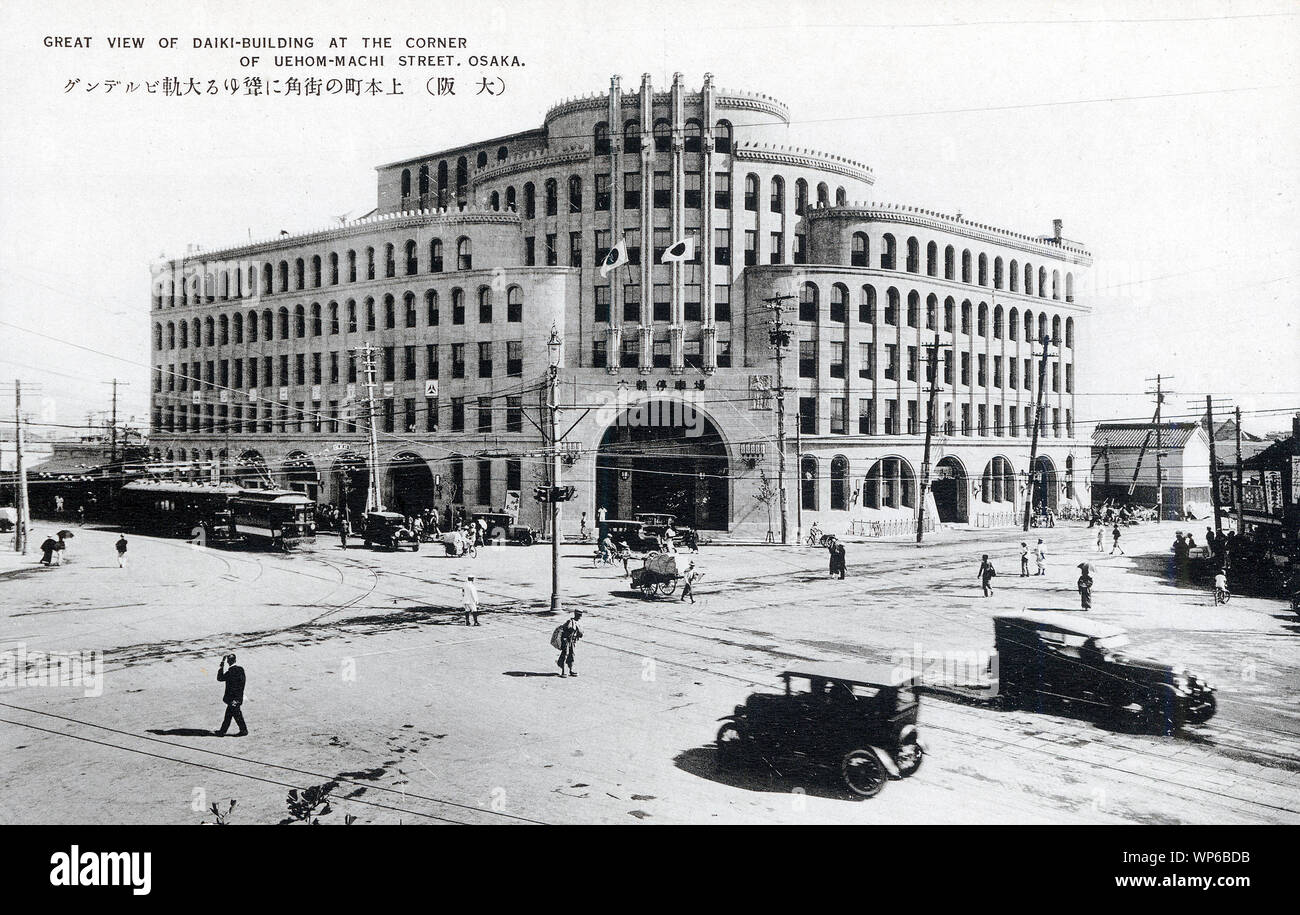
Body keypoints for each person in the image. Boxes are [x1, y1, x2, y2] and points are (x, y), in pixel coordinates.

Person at [215, 653, 248, 737]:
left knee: (236, 715)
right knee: (229, 715)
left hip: (233, 700)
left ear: (228, 662)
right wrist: (238, 698)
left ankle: (243, 731)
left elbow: (220, 678)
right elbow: (242, 685)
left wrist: (221, 666)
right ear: (235, 660)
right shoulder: (241, 669)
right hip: (237, 698)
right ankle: (222, 731)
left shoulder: (230, 673)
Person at [556, 609, 583, 677]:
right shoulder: (570, 622)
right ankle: (563, 671)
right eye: (579, 615)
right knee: (565, 654)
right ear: (575, 614)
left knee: (572, 655)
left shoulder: (579, 623)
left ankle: (571, 670)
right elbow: (564, 630)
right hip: (567, 641)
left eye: (580, 615)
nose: (580, 616)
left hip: (573, 641)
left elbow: (581, 633)